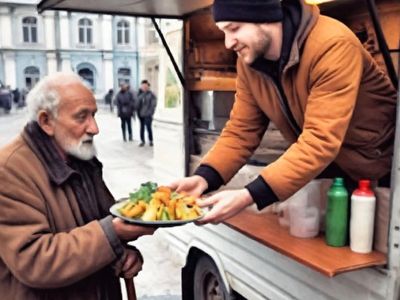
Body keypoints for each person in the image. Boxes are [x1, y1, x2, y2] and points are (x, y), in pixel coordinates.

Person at [170, 0, 397, 224]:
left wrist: (249, 195)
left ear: (265, 17)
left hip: (384, 173)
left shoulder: (332, 44)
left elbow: (319, 140)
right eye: (223, 31)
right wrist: (203, 179)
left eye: (234, 28)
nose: (228, 43)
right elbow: (241, 132)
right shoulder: (249, 62)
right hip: (333, 174)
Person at [0, 72, 155, 300]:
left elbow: (103, 220)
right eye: (82, 117)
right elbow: (33, 260)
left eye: (94, 115)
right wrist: (113, 234)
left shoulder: (80, 156)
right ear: (46, 122)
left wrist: (123, 253)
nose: (94, 128)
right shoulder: (10, 170)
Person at [137, 80, 157, 147]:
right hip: (141, 114)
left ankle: (151, 140)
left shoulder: (151, 94)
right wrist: (138, 112)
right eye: (143, 86)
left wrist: (150, 112)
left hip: (148, 115)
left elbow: (153, 105)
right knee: (141, 128)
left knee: (148, 128)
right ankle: (142, 141)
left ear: (148, 86)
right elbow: (137, 104)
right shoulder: (140, 94)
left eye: (145, 86)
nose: (144, 87)